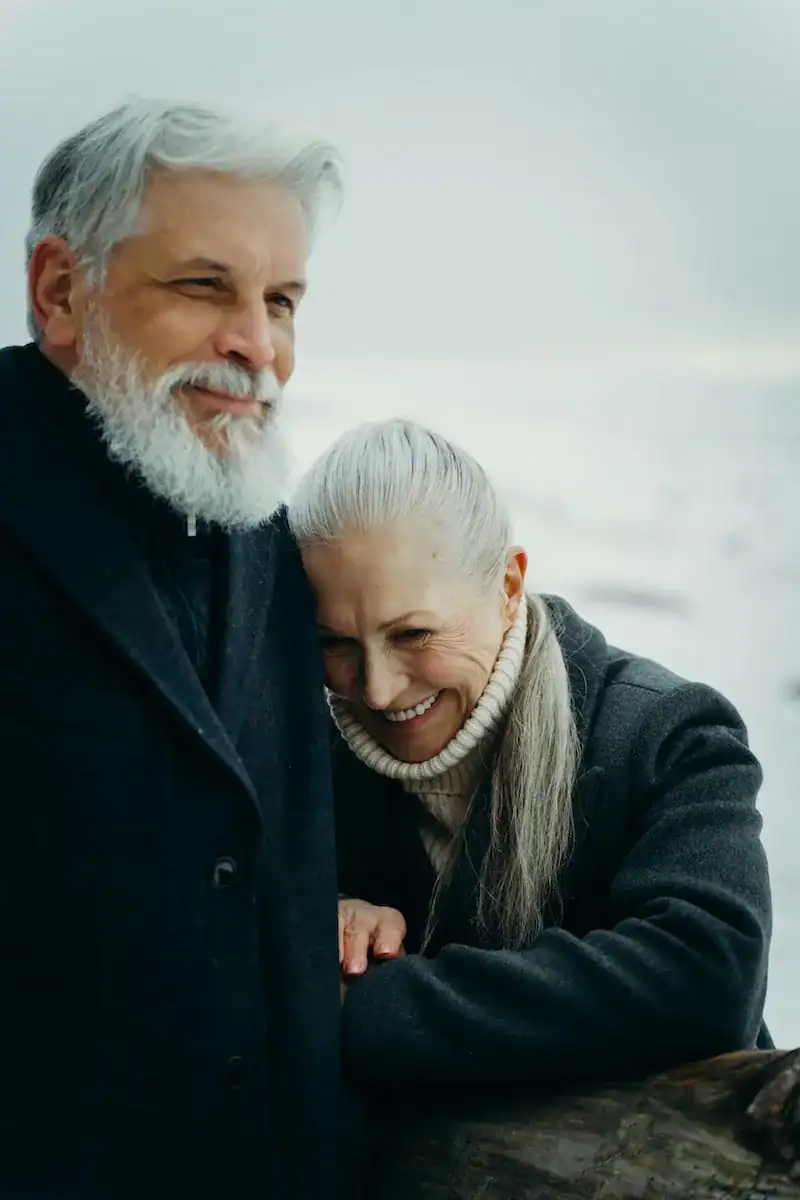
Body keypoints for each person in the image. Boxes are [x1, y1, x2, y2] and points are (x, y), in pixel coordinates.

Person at [0, 98, 345, 1198]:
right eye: (205, 288)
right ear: (61, 290)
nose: (258, 347)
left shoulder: (265, 528)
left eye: (281, 300)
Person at [287, 417, 773, 1093]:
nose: (376, 687)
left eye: (413, 633)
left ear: (510, 585)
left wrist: (369, 1005)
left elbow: (707, 979)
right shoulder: (298, 752)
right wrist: (322, 917)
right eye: (336, 643)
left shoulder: (667, 735)